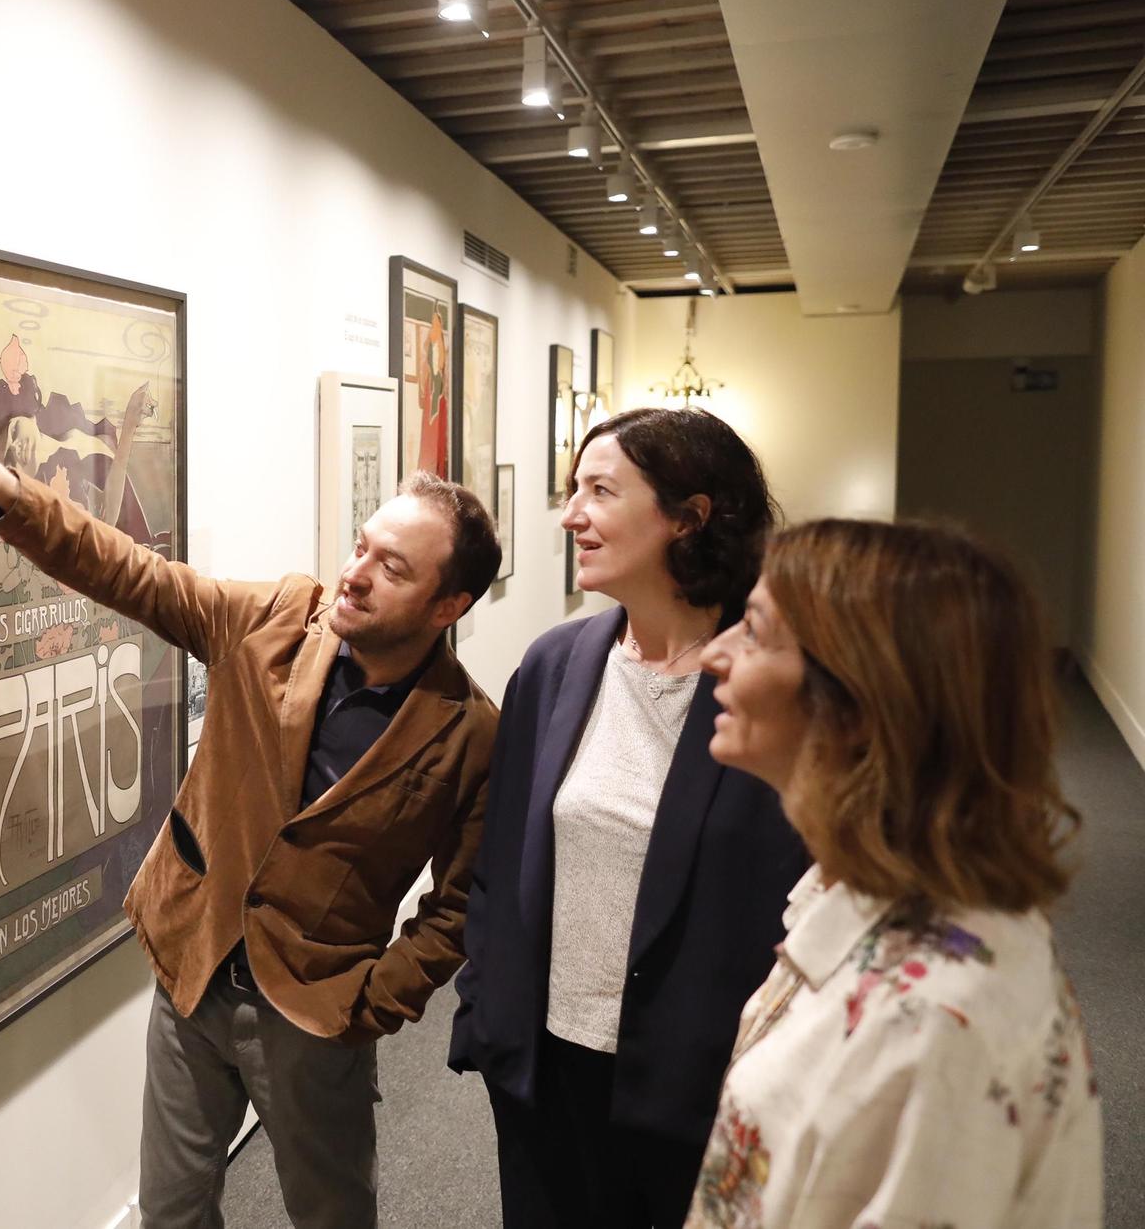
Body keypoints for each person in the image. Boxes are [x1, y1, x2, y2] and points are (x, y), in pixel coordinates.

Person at [0, 393, 499, 1229]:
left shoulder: (467, 731)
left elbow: (463, 902)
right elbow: (135, 573)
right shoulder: (275, 619)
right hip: (192, 967)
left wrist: (376, 998)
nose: (356, 573)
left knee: (332, 1213)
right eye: (361, 545)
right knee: (172, 1211)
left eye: (393, 568)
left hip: (315, 1010)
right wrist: (13, 494)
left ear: (449, 607)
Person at [446, 406, 807, 1227]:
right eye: (574, 490)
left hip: (698, 1085)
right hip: (547, 1067)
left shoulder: (767, 684)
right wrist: (488, 1011)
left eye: (600, 491)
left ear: (690, 515)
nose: (571, 514)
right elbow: (499, 864)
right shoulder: (556, 663)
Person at [685, 519, 1101, 1227]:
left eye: (751, 631)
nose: (712, 655)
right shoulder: (870, 897)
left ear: (857, 703)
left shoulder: (932, 1026)